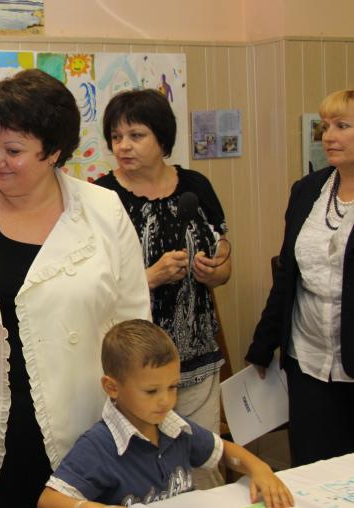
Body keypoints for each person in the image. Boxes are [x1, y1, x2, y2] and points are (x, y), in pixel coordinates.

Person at [0, 68, 151, 506]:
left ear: (54, 153)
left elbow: (133, 326)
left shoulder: (102, 209)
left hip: (82, 422)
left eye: (13, 151)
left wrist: (140, 417)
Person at [94, 89, 231, 488]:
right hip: (133, 365)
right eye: (116, 137)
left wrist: (215, 270)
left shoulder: (196, 185)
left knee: (203, 467)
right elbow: (92, 284)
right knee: (145, 474)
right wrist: (149, 277)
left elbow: (224, 256)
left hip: (196, 356)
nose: (123, 146)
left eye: (136, 135)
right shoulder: (101, 197)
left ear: (162, 137)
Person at [38, 320, 294, 508]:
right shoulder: (98, 445)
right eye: (151, 391)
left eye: (173, 387)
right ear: (112, 388)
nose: (166, 401)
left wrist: (260, 469)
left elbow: (224, 451)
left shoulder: (174, 426)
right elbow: (49, 500)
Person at [246, 88, 354, 467]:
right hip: (307, 360)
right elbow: (287, 275)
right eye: (325, 126)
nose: (329, 136)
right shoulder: (308, 189)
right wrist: (263, 345)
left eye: (342, 126)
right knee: (310, 469)